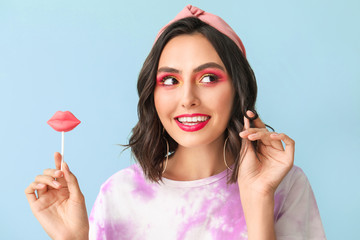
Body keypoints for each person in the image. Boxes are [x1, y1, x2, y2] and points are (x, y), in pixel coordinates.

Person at [25, 5, 326, 240]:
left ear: (239, 89)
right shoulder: (120, 194)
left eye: (208, 78)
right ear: (152, 93)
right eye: (170, 80)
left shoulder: (285, 185)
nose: (187, 98)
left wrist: (258, 198)